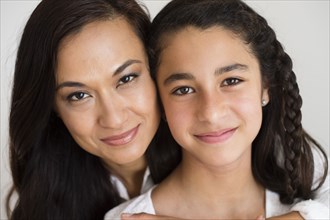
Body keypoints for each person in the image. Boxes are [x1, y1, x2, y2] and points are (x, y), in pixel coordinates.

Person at [105, 0, 329, 219]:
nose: (211, 113)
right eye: (183, 90)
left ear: (265, 87)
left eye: (231, 81)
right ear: (160, 103)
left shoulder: (314, 187)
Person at [5, 0, 180, 219]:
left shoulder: (219, 157)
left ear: (154, 68)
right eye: (79, 96)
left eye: (126, 79)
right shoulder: (41, 206)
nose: (114, 119)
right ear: (53, 107)